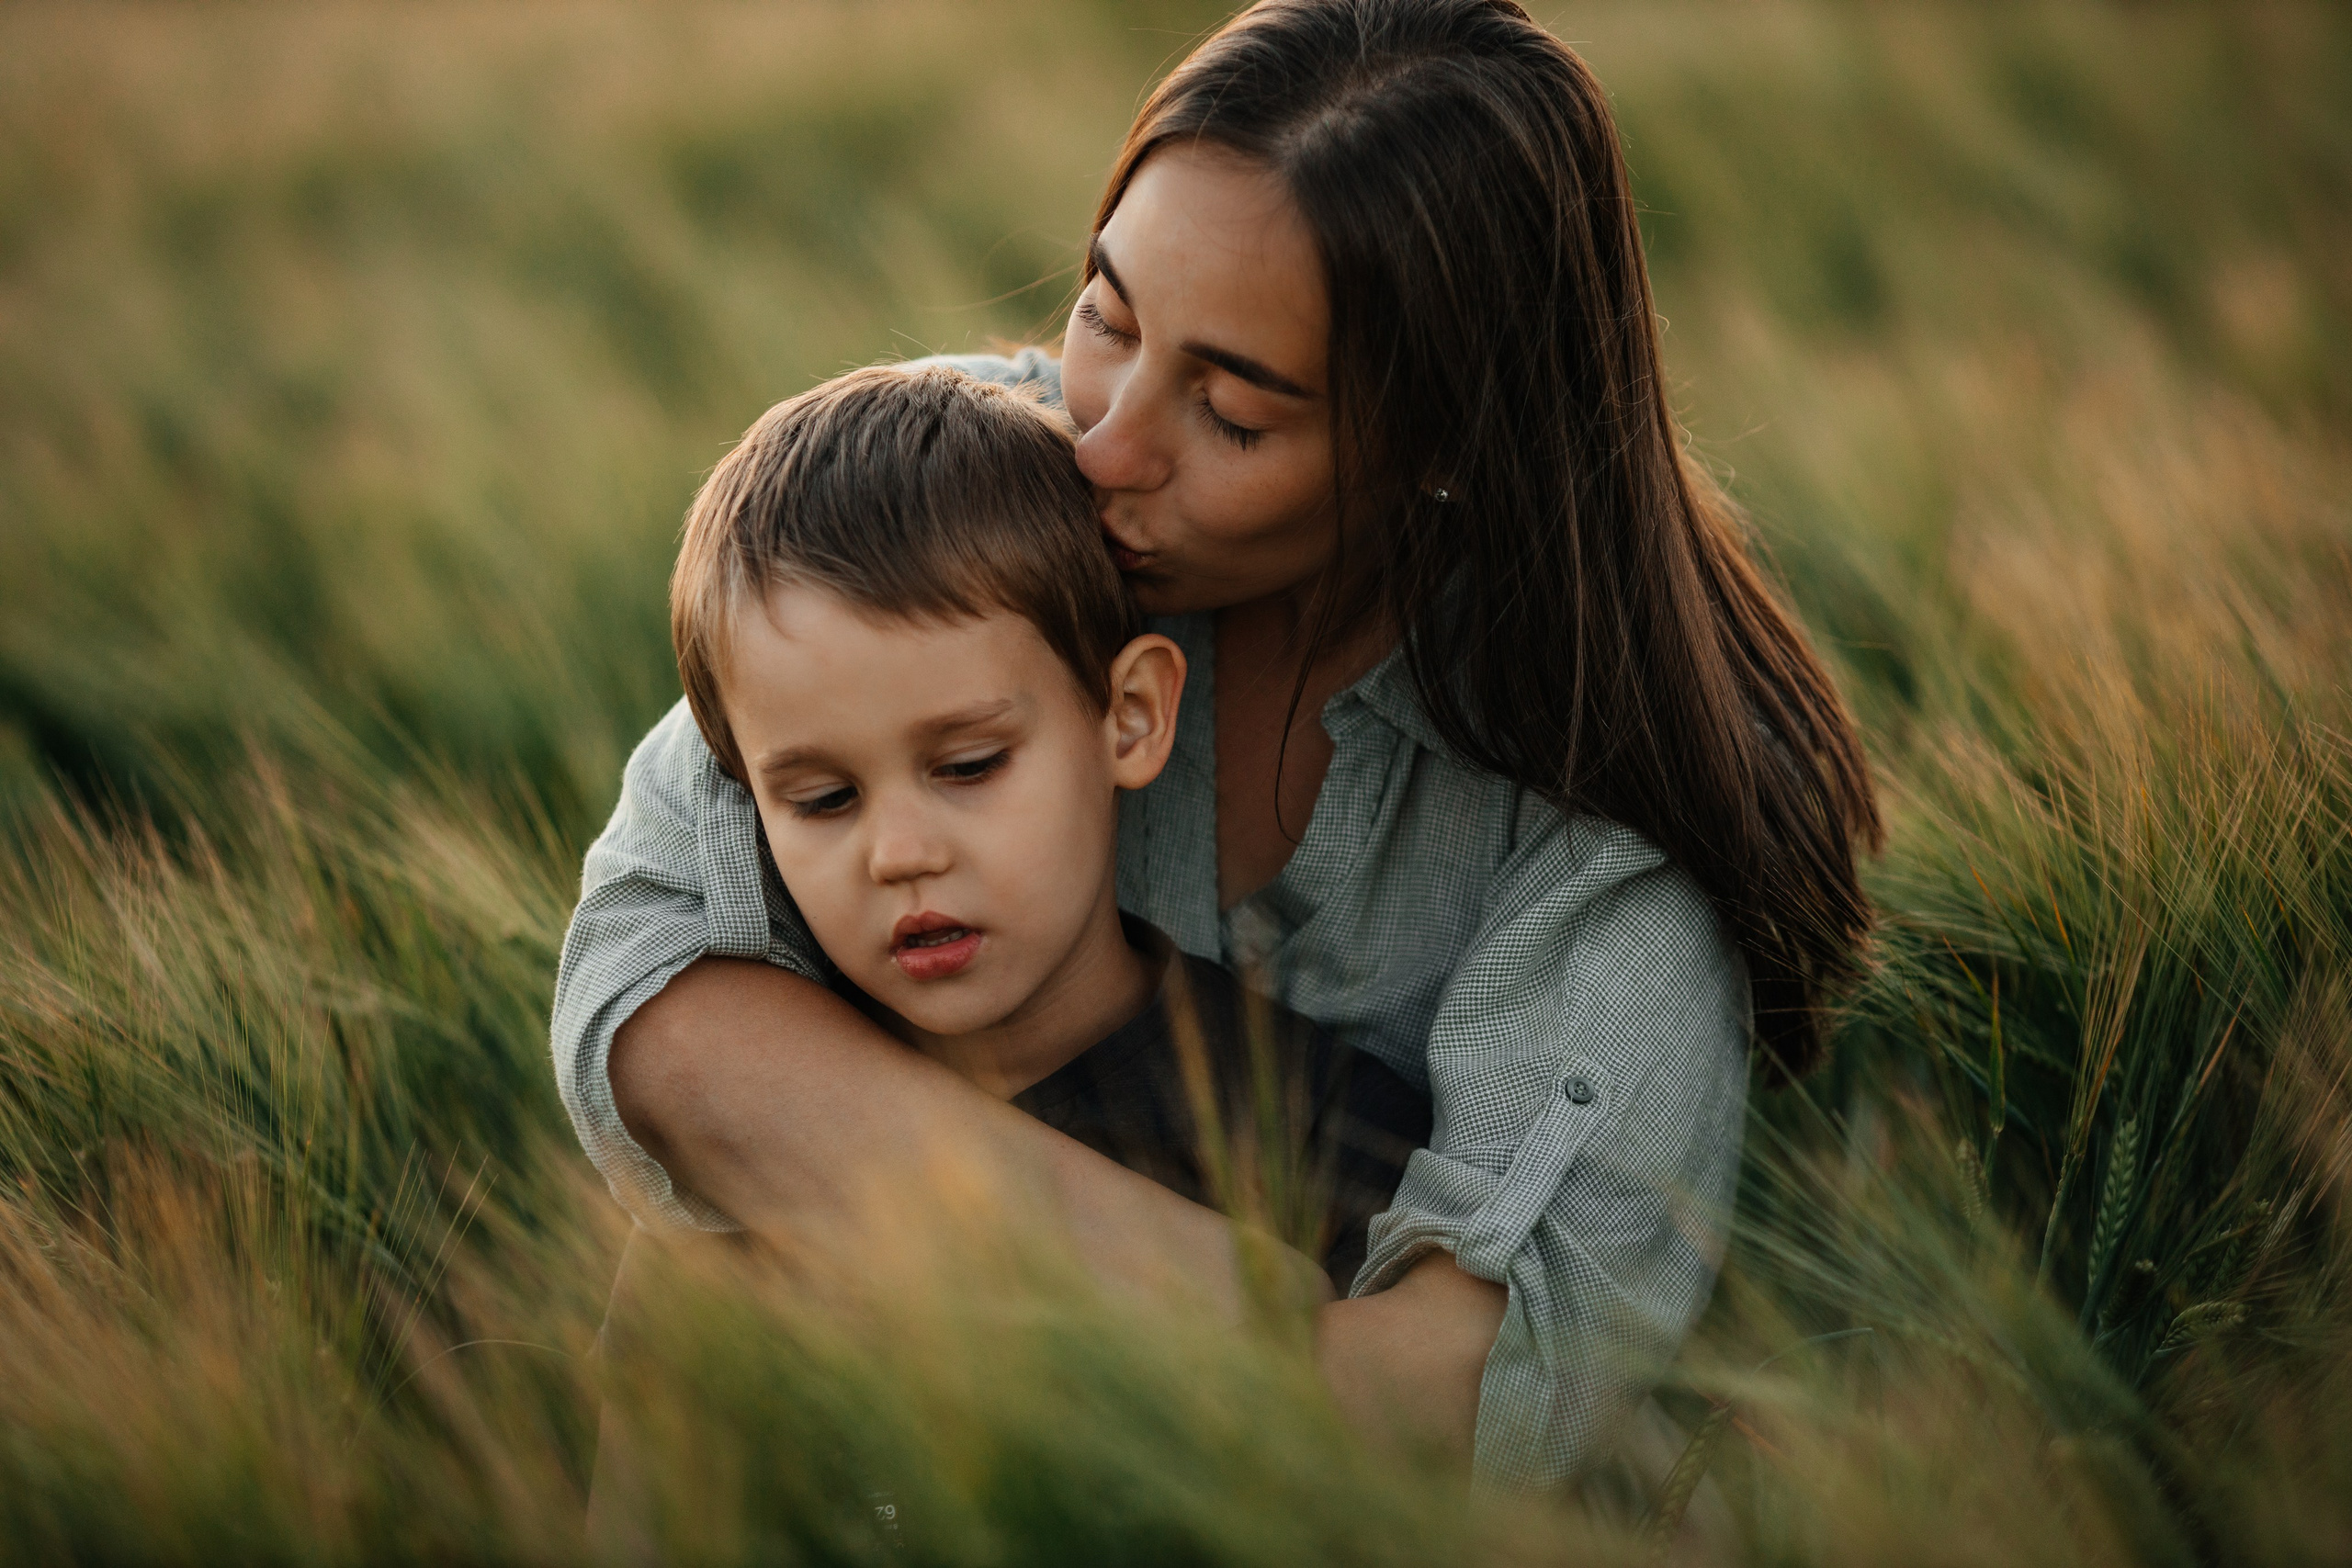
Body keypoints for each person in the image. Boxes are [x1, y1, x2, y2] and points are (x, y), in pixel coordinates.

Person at [555, 0, 1878, 1491]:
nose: (1102, 441)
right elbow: (651, 979)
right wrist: (1236, 1292)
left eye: (1231, 411)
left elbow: (1459, 1406)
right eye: (1107, 315)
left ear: (1443, 444)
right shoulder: (989, 488)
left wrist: (886, 1205)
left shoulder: (1611, 815)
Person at [665, 361, 1430, 1290]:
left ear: (1132, 715)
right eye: (824, 800)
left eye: (969, 766)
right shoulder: (743, 1163)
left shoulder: (1334, 1141)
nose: (901, 856)